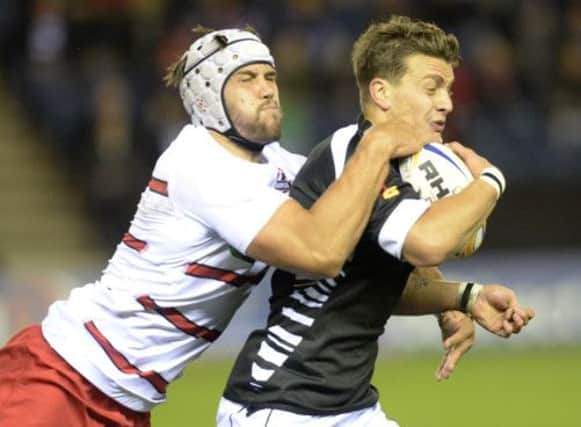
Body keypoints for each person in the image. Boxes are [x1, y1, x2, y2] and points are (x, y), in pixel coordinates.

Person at [0, 26, 431, 427]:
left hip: (124, 402)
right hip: (59, 378)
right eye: (247, 79)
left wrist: (458, 299)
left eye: (270, 76)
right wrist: (376, 147)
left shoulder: (282, 168)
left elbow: (361, 256)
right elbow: (321, 253)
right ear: (208, 95)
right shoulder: (199, 163)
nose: (267, 89)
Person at [218, 16, 535, 427]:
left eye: (449, 90)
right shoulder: (352, 155)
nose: (447, 103)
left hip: (347, 407)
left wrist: (465, 298)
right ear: (381, 92)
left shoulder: (397, 166)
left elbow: (374, 283)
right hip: (282, 403)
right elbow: (428, 241)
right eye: (431, 87)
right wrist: (491, 179)